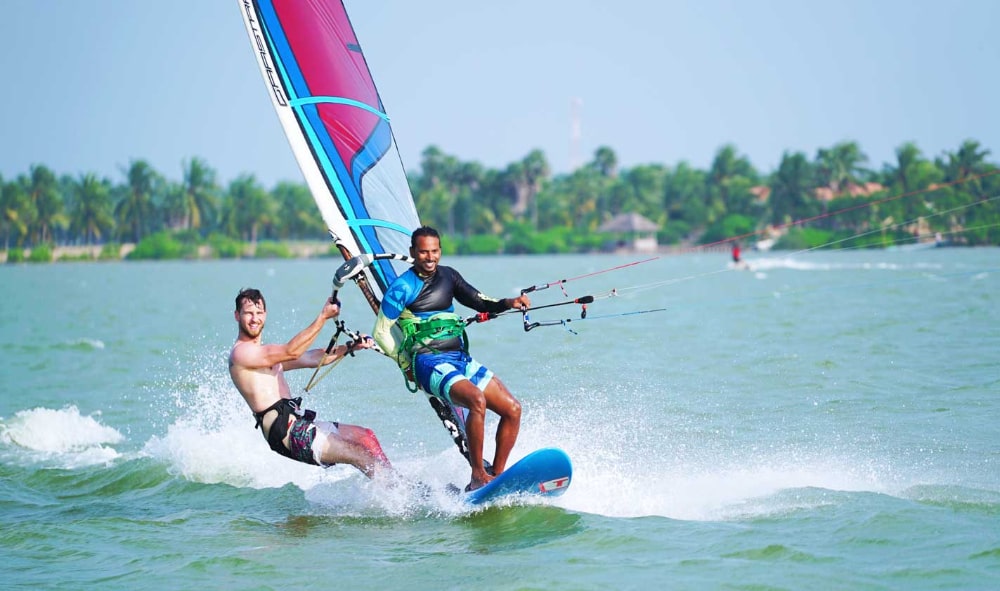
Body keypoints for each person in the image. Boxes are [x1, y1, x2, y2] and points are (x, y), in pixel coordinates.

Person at [372, 226, 529, 492]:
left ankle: (496, 475)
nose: (429, 257)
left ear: (440, 251)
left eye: (434, 251)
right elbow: (381, 332)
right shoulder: (402, 287)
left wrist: (509, 302)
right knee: (476, 400)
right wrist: (404, 363)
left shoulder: (449, 276)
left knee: (512, 409)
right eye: (423, 251)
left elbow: (480, 301)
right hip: (427, 361)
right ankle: (478, 475)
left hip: (458, 358)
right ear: (412, 252)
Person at [229, 287, 393, 479]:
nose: (254, 318)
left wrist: (349, 347)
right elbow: (293, 351)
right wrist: (323, 317)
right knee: (359, 454)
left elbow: (312, 358)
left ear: (265, 315)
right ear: (237, 316)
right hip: (287, 435)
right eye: (248, 313)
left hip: (300, 424)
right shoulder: (241, 353)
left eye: (259, 313)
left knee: (366, 436)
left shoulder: (264, 355)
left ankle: (396, 482)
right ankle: (399, 496)